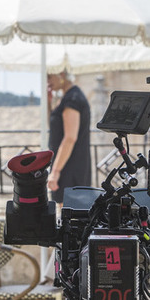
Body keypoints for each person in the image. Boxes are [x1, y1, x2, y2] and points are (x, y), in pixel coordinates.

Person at [46, 72, 92, 205]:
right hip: (67, 163)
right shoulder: (69, 97)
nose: (47, 81)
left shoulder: (72, 99)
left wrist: (55, 172)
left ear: (61, 74)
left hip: (70, 166)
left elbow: (70, 138)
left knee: (70, 215)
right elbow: (55, 128)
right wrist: (48, 103)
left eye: (49, 76)